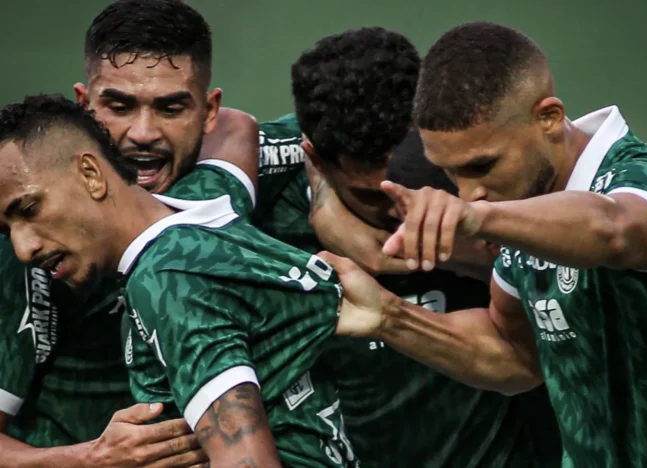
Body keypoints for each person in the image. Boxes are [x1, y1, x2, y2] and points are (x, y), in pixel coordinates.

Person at [321, 21, 647, 467]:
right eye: (450, 173)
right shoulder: (521, 213)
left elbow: (613, 229)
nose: (469, 192)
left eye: (482, 166)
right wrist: (389, 316)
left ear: (549, 118)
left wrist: (478, 218)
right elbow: (514, 355)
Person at [253, 27, 561, 467]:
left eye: (418, 176)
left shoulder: (489, 171)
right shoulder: (265, 199)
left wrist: (455, 252)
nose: (403, 207)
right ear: (315, 159)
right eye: (372, 196)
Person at [0, 94, 358, 467]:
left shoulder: (164, 280)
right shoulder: (209, 208)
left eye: (29, 209)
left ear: (91, 174)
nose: (22, 249)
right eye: (6, 229)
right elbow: (237, 126)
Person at [0, 0, 256, 465]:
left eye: (171, 107)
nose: (143, 133)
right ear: (84, 106)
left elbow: (241, 128)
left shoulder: (208, 199)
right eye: (118, 106)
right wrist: (92, 459)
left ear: (207, 112)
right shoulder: (27, 240)